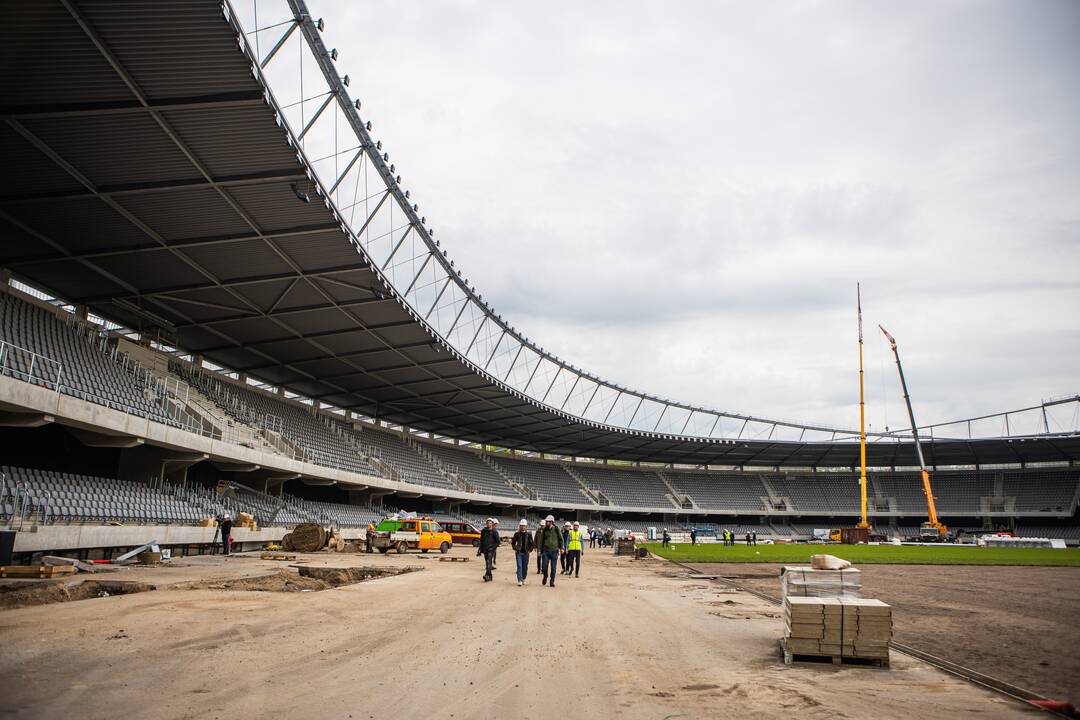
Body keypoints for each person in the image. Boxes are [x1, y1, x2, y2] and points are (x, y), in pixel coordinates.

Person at [537, 515, 563, 587]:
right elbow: (541, 541)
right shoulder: (545, 530)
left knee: (553, 567)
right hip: (545, 551)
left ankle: (552, 581)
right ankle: (545, 576)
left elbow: (561, 539)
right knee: (544, 565)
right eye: (546, 521)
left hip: (554, 551)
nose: (546, 522)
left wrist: (562, 548)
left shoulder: (556, 529)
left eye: (548, 521)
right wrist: (539, 550)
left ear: (552, 522)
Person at [511, 519, 535, 586]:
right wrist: (515, 548)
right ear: (519, 526)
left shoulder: (529, 534)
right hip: (519, 553)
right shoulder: (516, 534)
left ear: (526, 526)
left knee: (525, 567)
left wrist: (530, 550)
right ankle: (519, 580)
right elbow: (513, 543)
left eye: (524, 526)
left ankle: (523, 578)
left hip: (526, 554)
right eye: (521, 526)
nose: (522, 527)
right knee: (519, 566)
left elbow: (532, 544)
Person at [477, 518, 500, 582]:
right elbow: (481, 540)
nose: (488, 524)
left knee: (488, 562)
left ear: (492, 524)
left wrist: (493, 547)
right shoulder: (484, 530)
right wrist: (479, 549)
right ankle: (490, 576)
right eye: (487, 523)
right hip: (485, 549)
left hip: (491, 550)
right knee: (487, 563)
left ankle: (487, 575)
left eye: (490, 523)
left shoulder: (494, 531)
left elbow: (498, 542)